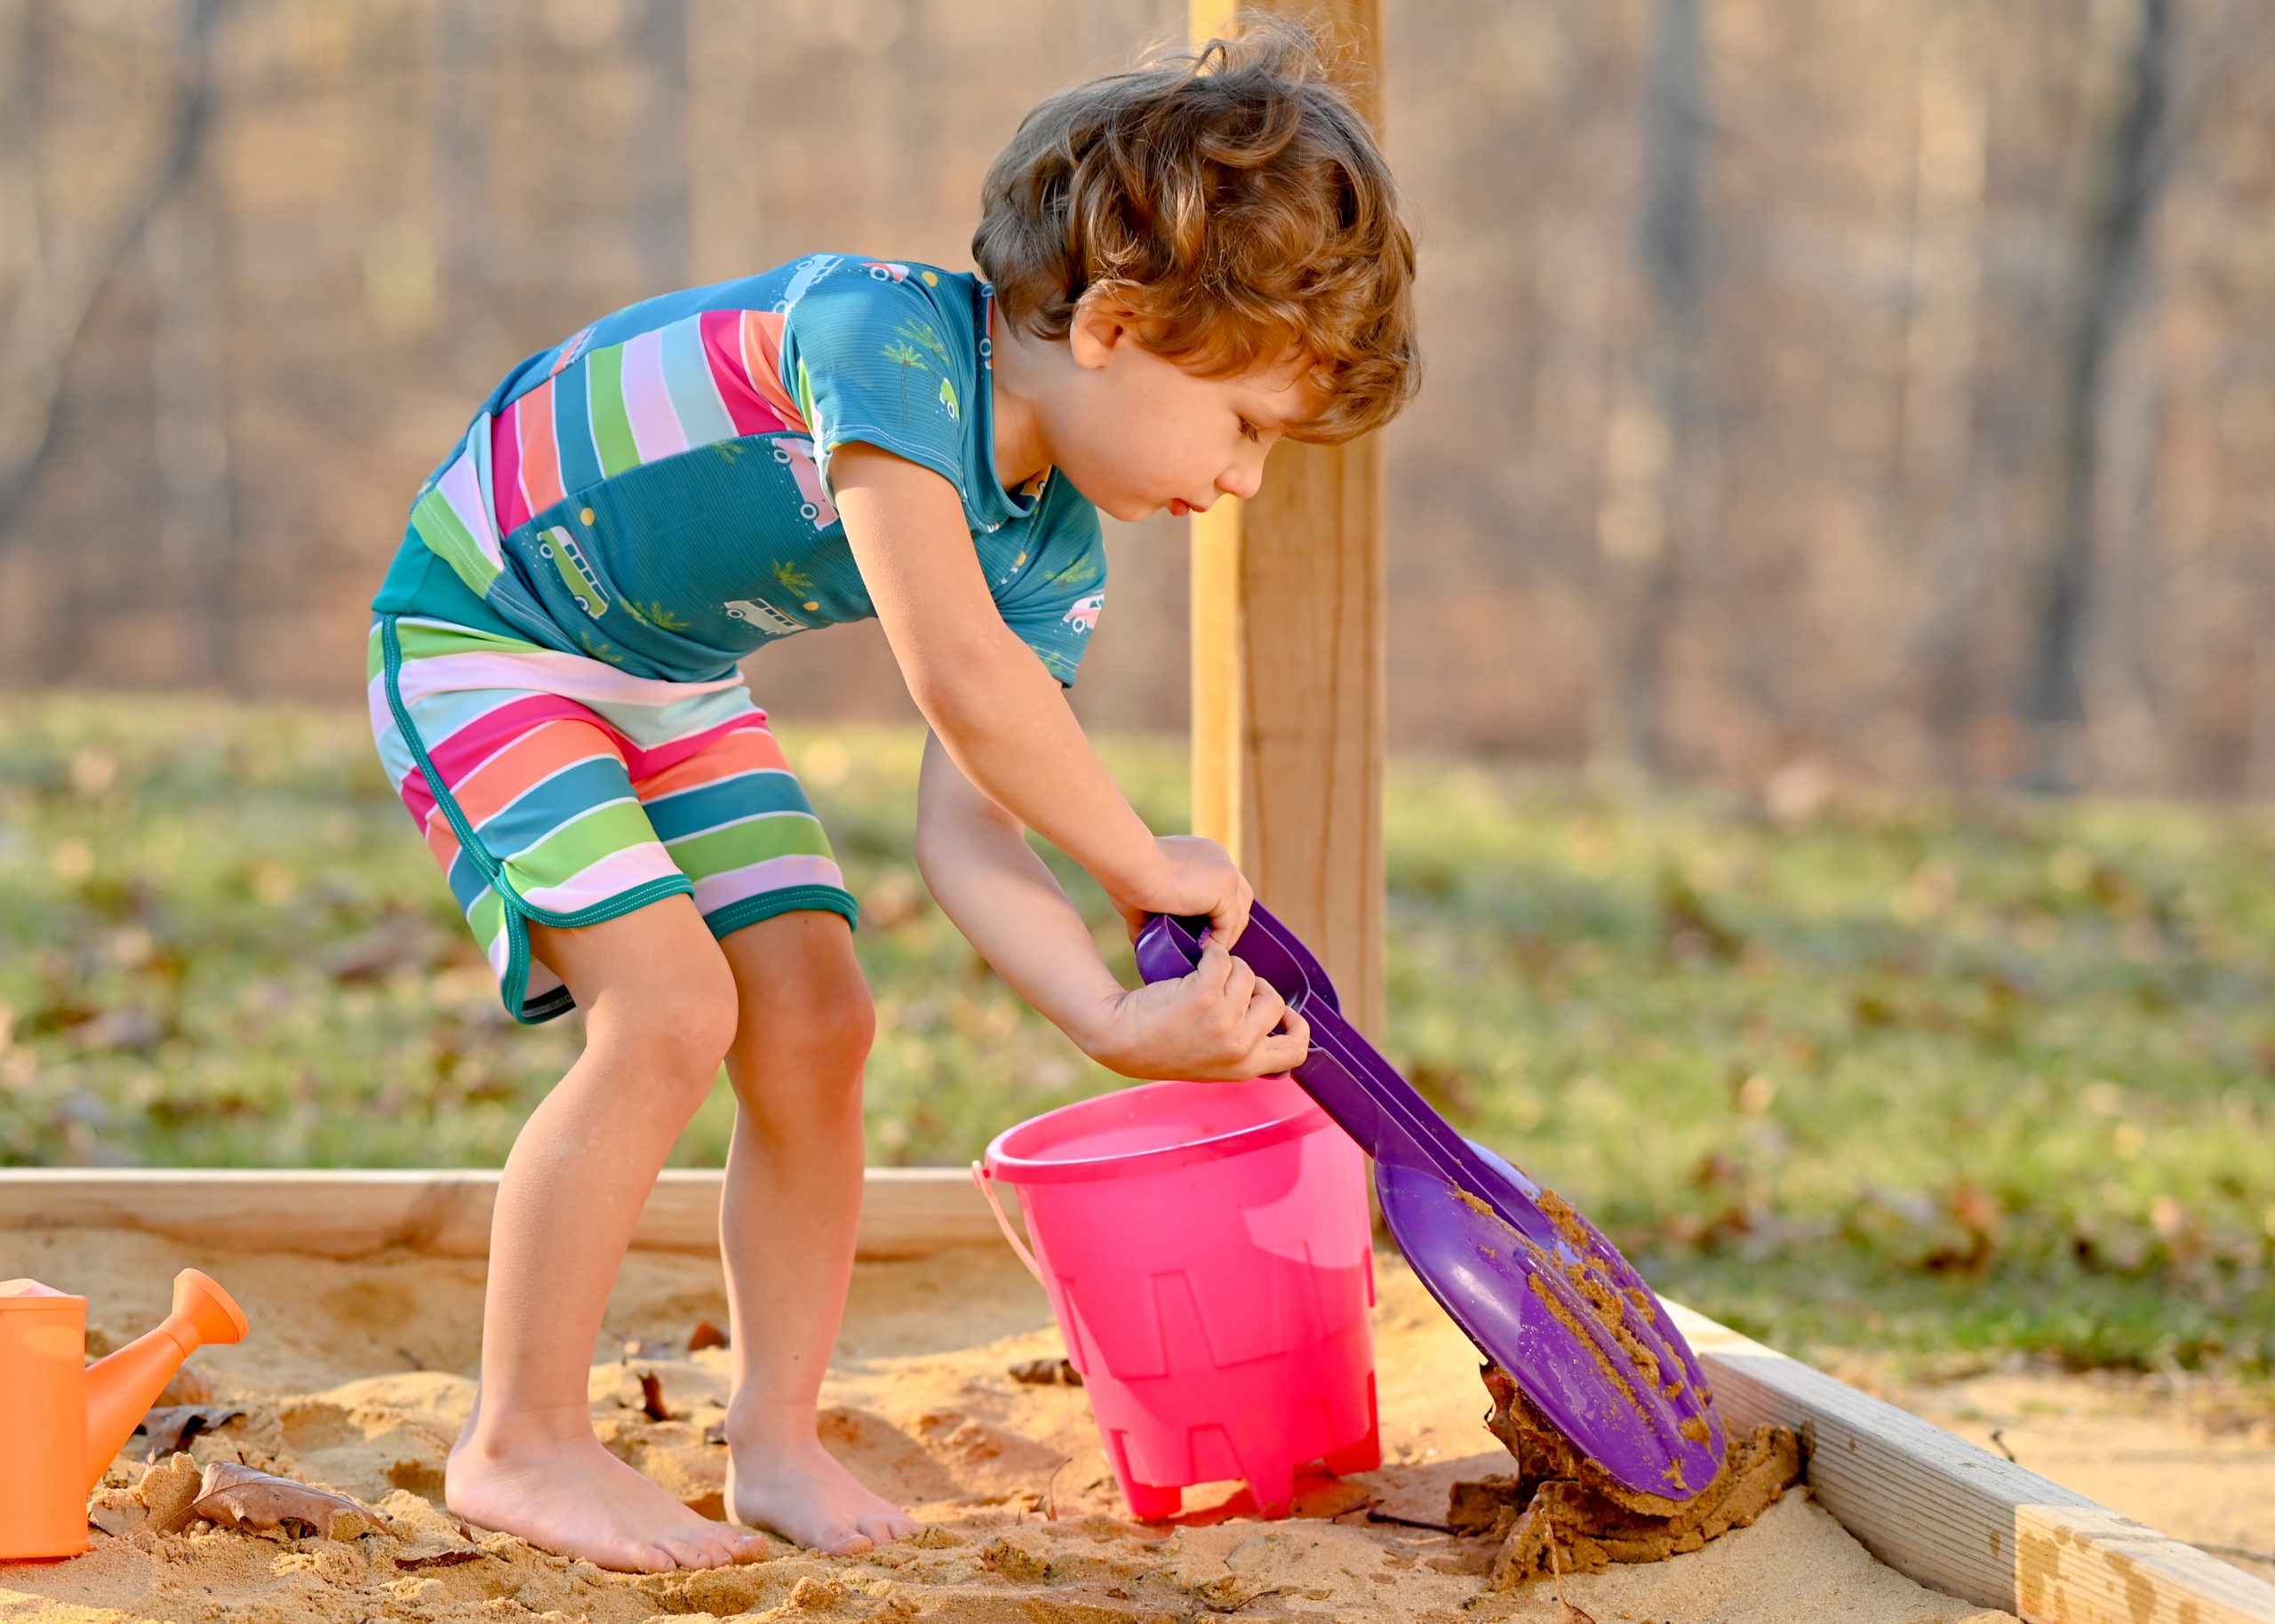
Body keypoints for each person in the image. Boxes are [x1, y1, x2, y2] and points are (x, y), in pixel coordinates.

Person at [363, 15, 1417, 1575]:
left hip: (661, 676)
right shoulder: (880, 340)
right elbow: (959, 683)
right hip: (484, 629)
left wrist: (1108, 1015)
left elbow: (973, 814)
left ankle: (774, 1444)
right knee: (665, 1009)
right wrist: (1143, 861)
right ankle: (520, 1441)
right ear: (1117, 325)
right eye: (1248, 424)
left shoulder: (1055, 545)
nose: (1248, 479)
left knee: (817, 1020)